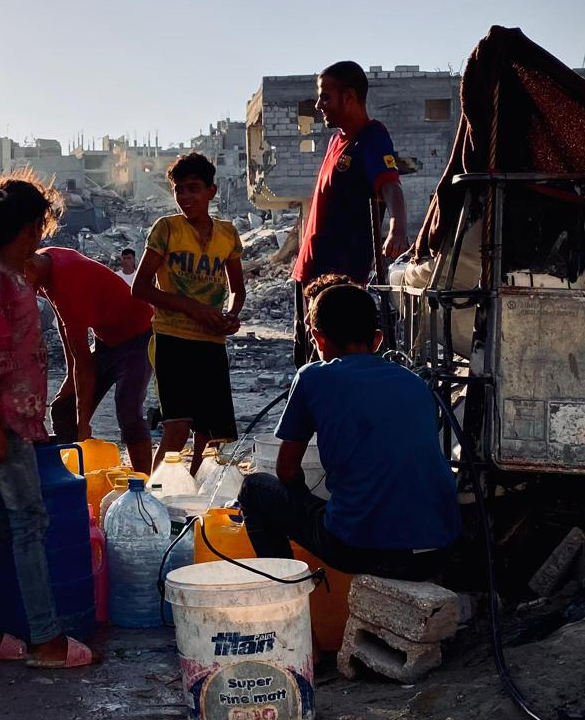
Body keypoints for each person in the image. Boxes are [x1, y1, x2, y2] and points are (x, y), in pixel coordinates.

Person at [0, 169, 96, 669]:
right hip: (8, 423)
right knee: (29, 523)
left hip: (14, 420)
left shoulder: (13, 279)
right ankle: (46, 641)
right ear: (30, 229)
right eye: (39, 224)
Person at [237, 283, 460, 580]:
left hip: (359, 547)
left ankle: (287, 592)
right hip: (439, 546)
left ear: (317, 339)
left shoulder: (313, 377)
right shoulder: (414, 383)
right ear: (378, 340)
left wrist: (303, 503)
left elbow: (286, 471)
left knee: (254, 490)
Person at [132, 152, 245, 475]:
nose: (185, 197)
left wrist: (231, 316)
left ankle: (193, 496)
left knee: (209, 437)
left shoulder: (227, 234)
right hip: (173, 339)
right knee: (177, 429)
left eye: (193, 188)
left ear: (211, 191)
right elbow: (139, 287)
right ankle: (151, 497)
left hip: (211, 342)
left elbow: (237, 288)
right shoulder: (167, 229)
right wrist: (192, 307)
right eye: (179, 190)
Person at [291, 60, 408, 366]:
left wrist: (398, 226)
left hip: (340, 282)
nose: (319, 105)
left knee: (335, 364)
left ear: (350, 97)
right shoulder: (335, 141)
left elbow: (390, 185)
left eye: (325, 97)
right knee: (307, 360)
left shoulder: (372, 137)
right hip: (310, 273)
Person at [24, 246, 156, 475]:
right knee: (64, 407)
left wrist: (83, 422)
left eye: (20, 283)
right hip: (106, 339)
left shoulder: (67, 287)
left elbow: (83, 363)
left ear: (29, 267)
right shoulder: (47, 258)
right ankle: (69, 475)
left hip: (140, 336)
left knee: (128, 407)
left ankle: (143, 485)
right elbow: (67, 330)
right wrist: (69, 377)